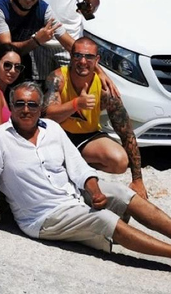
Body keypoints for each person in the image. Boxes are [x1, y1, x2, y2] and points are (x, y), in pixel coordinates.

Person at [0, 82, 171, 276]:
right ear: (12, 106)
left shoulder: (52, 128)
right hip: (42, 217)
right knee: (104, 219)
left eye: (32, 104)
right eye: (19, 104)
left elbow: (77, 166)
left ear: (40, 107)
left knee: (122, 194)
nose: (26, 109)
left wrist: (94, 189)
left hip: (73, 197)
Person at [43, 37, 146, 198]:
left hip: (86, 138)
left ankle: (77, 163)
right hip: (58, 136)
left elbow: (126, 133)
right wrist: (76, 104)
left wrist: (137, 179)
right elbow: (47, 116)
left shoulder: (105, 90)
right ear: (71, 56)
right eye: (78, 55)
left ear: (97, 60)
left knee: (119, 162)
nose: (83, 61)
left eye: (89, 57)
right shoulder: (58, 78)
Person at [0, 0, 118, 95]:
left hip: (21, 62)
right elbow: (6, 49)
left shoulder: (44, 9)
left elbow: (69, 44)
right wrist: (36, 41)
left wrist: (100, 71)